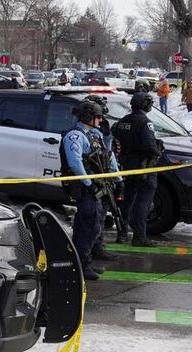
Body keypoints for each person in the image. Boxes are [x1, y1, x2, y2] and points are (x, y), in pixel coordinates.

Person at [62, 101, 120, 281]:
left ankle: (79, 262)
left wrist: (118, 179)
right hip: (85, 187)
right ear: (88, 117)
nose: (101, 120)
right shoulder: (75, 136)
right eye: (98, 117)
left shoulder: (94, 134)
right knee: (90, 225)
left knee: (86, 224)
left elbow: (107, 156)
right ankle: (82, 265)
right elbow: (75, 163)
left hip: (98, 185)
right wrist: (89, 183)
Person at [113, 93, 162, 247]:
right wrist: (158, 150)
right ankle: (139, 236)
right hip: (144, 166)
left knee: (127, 201)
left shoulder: (123, 121)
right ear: (145, 105)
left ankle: (122, 234)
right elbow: (149, 145)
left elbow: (116, 136)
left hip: (128, 164)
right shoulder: (145, 122)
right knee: (143, 202)